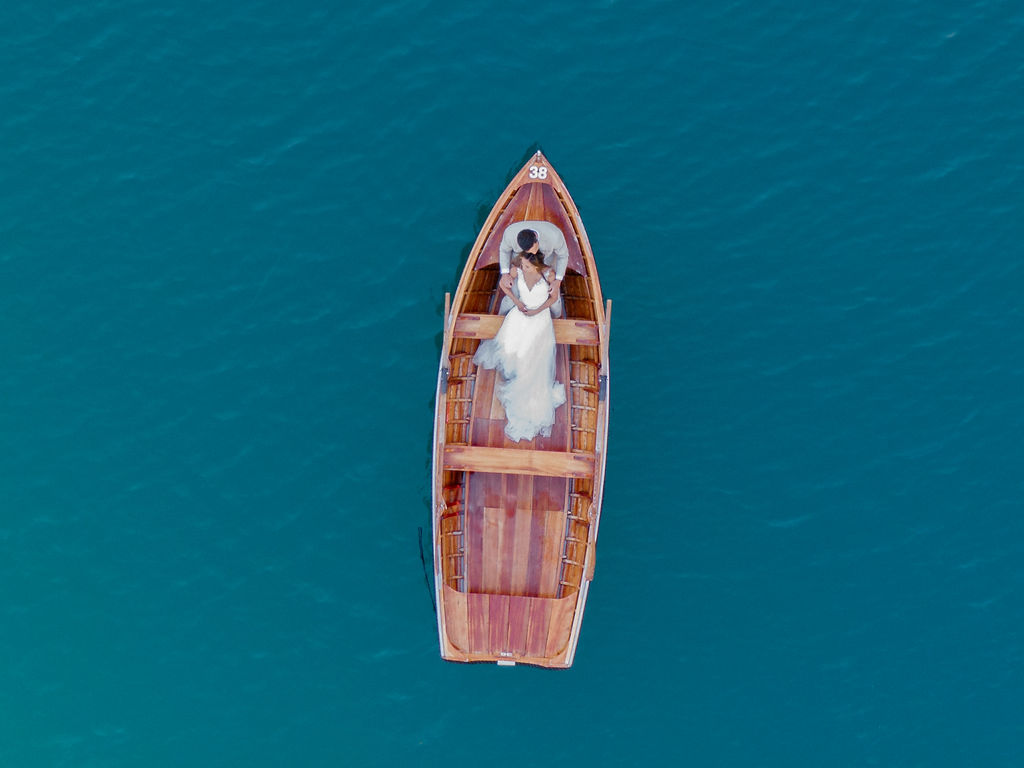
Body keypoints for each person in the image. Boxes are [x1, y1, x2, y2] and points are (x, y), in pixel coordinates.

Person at [474, 251, 566, 443]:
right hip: (520, 313)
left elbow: (552, 299)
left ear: (536, 265)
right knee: (509, 347)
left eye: (526, 266)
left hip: (539, 318)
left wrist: (537, 311)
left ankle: (526, 377)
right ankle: (515, 369)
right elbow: (503, 284)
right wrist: (516, 301)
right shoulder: (517, 271)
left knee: (532, 356)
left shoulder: (548, 274)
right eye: (522, 265)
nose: (522, 268)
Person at [497, 221, 568, 317]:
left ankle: (557, 317)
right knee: (509, 299)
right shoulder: (510, 234)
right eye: (528, 251)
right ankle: (499, 317)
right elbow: (504, 250)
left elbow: (563, 255)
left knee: (555, 304)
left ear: (536, 239)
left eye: (533, 250)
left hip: (546, 261)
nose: (533, 254)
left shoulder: (554, 236)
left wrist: (558, 281)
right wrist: (505, 273)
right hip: (522, 262)